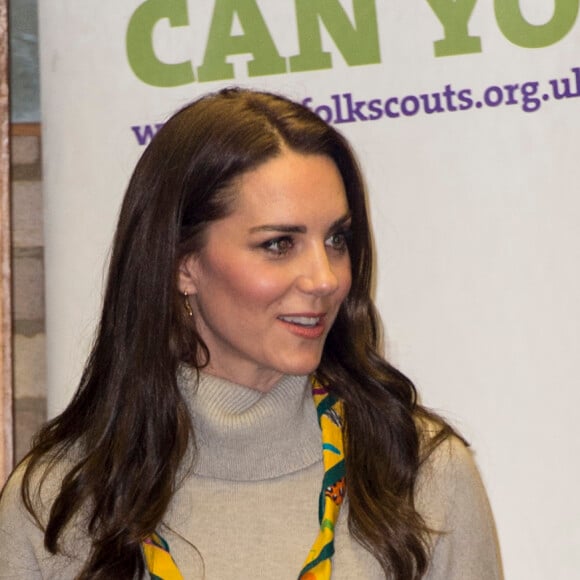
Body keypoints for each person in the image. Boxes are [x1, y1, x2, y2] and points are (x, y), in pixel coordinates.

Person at [0, 88, 502, 579]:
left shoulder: (424, 475)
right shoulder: (56, 500)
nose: (325, 279)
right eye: (279, 244)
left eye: (336, 239)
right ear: (183, 264)